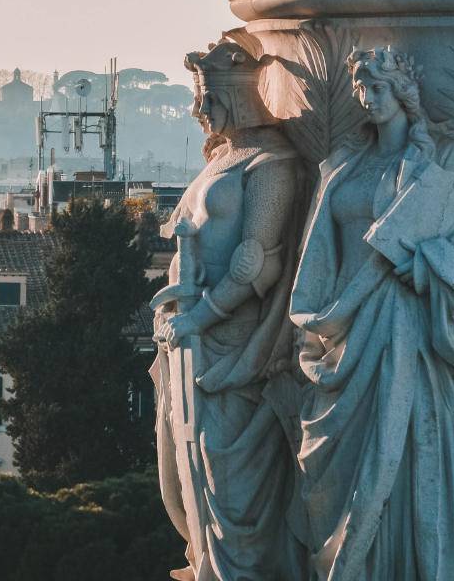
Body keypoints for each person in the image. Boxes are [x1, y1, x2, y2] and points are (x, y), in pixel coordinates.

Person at [289, 46, 454, 581]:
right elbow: (317, 257)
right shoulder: (343, 166)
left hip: (410, 334)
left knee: (409, 461)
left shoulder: (450, 166)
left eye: (378, 86)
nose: (368, 97)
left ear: (405, 91)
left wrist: (429, 265)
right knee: (340, 479)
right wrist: (317, 321)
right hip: (342, 335)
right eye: (361, 87)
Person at [153, 38, 307, 581]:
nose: (199, 110)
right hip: (189, 337)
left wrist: (200, 316)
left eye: (208, 97)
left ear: (237, 97)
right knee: (188, 468)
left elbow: (253, 262)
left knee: (228, 479)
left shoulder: (274, 163)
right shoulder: (225, 157)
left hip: (233, 345)